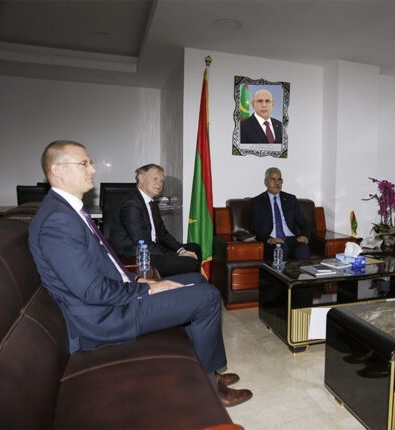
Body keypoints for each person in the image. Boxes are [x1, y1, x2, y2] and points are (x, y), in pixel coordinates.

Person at [28, 140, 252, 407]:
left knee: (195, 280)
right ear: (57, 170)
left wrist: (137, 278)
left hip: (111, 302)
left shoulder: (66, 212)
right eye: (84, 163)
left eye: (91, 163)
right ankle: (210, 389)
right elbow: (91, 290)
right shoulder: (58, 221)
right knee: (208, 297)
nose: (93, 169)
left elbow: (101, 265)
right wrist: (146, 289)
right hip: (103, 318)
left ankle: (207, 368)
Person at [110, 164, 201, 277]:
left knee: (194, 248)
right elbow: (142, 242)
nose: (159, 184)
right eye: (155, 179)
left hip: (151, 249)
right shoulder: (131, 204)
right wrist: (175, 255)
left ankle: (190, 282)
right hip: (136, 256)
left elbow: (163, 234)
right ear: (141, 178)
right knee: (189, 262)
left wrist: (181, 250)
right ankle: (184, 285)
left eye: (162, 181)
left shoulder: (151, 203)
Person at [251, 167, 311, 261]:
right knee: (281, 250)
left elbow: (303, 221)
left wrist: (305, 236)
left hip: (292, 239)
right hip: (273, 241)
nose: (277, 183)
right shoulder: (257, 201)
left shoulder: (290, 199)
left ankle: (302, 271)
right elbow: (256, 226)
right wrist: (269, 239)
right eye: (273, 179)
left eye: (279, 179)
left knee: (303, 249)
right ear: (266, 182)